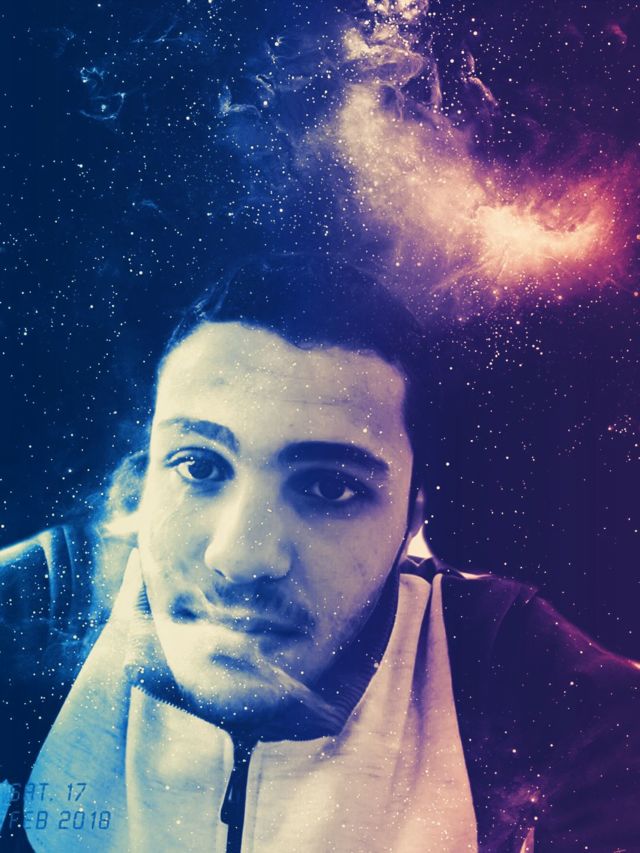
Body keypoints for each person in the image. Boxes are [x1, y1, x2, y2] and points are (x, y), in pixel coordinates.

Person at [0, 256, 638, 853]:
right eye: (198, 466)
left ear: (412, 518)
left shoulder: (505, 667)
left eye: (330, 487)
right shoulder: (38, 607)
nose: (241, 558)